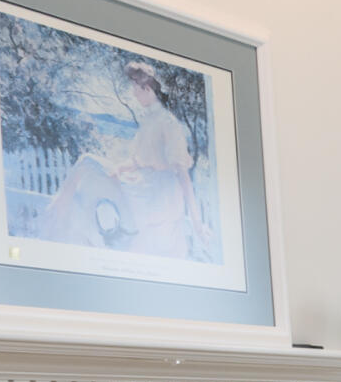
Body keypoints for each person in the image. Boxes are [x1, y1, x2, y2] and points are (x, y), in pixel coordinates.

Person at [32, 62, 211, 261]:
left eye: (136, 88)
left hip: (157, 195)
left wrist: (197, 224)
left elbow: (182, 176)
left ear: (147, 89)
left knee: (88, 163)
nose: (134, 94)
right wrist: (120, 167)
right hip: (145, 186)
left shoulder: (168, 124)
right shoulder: (150, 120)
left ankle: (57, 216)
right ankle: (60, 220)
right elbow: (140, 159)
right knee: (87, 166)